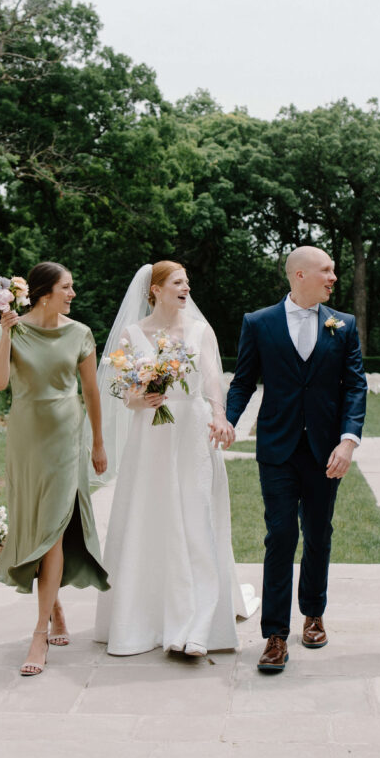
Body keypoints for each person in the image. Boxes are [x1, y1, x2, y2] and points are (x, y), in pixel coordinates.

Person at [93, 261, 258, 657]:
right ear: (155, 289)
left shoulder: (201, 330)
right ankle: (146, 617)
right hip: (151, 435)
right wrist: (140, 398)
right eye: (178, 282)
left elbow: (214, 380)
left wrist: (220, 416)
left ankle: (200, 622)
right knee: (152, 517)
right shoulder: (134, 334)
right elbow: (125, 393)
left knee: (196, 517)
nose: (186, 288)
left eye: (188, 281)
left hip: (192, 432)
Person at [220, 246, 367, 673]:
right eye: (326, 270)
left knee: (318, 533)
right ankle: (275, 636)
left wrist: (348, 440)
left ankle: (314, 613)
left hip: (327, 451)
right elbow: (243, 381)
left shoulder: (344, 325)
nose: (333, 277)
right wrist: (228, 422)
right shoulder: (258, 323)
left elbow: (355, 387)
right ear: (299, 275)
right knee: (280, 535)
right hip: (278, 450)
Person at [0, 262, 109, 677]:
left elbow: (91, 390)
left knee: (55, 528)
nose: (73, 293)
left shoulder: (80, 333)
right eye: (67, 287)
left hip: (66, 440)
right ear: (43, 292)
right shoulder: (10, 328)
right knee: (35, 525)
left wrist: (97, 441)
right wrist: (4, 332)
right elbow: (0, 382)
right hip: (26, 439)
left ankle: (39, 632)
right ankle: (54, 605)